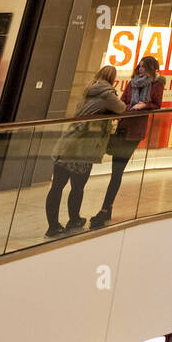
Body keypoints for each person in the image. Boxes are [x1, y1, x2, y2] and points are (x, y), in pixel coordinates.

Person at [45, 66, 124, 238]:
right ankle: (73, 219)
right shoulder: (108, 94)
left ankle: (53, 225)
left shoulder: (87, 90)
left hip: (67, 142)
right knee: (78, 187)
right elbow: (122, 108)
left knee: (57, 186)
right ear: (113, 78)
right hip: (83, 147)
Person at [90, 55, 164, 229]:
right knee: (116, 170)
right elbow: (123, 101)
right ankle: (106, 209)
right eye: (139, 67)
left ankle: (104, 209)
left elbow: (157, 104)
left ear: (151, 68)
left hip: (134, 132)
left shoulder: (156, 84)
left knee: (117, 170)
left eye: (144, 67)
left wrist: (144, 106)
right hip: (121, 129)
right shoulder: (132, 83)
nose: (140, 69)